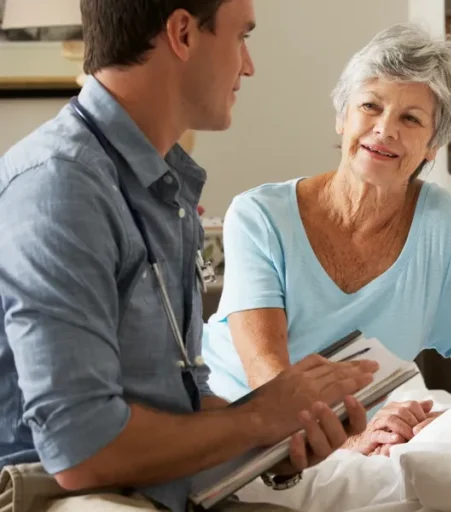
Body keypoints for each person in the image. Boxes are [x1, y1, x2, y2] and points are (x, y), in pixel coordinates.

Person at [0, 1, 378, 511]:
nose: (248, 65)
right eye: (241, 37)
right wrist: (260, 417)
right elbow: (80, 448)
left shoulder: (162, 189)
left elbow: (183, 402)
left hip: (156, 489)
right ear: (182, 33)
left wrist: (282, 443)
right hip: (63, 493)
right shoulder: (60, 187)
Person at [200, 23, 451, 455]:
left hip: (361, 437)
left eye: (411, 118)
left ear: (433, 145)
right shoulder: (259, 216)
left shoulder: (443, 224)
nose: (385, 129)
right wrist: (353, 442)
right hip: (245, 432)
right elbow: (269, 378)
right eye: (370, 106)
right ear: (342, 117)